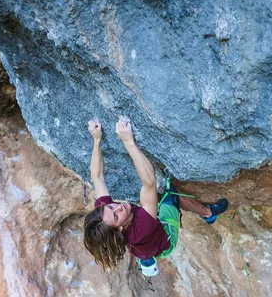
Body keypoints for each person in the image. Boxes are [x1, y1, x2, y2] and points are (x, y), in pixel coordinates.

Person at [83, 116, 228, 276]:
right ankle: (209, 213)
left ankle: (146, 257)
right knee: (171, 196)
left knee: (144, 246)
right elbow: (149, 182)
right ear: (119, 229)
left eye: (111, 206)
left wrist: (96, 140)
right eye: (117, 215)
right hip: (164, 240)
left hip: (143, 246)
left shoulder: (105, 216)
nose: (118, 206)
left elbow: (97, 177)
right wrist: (128, 141)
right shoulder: (142, 227)